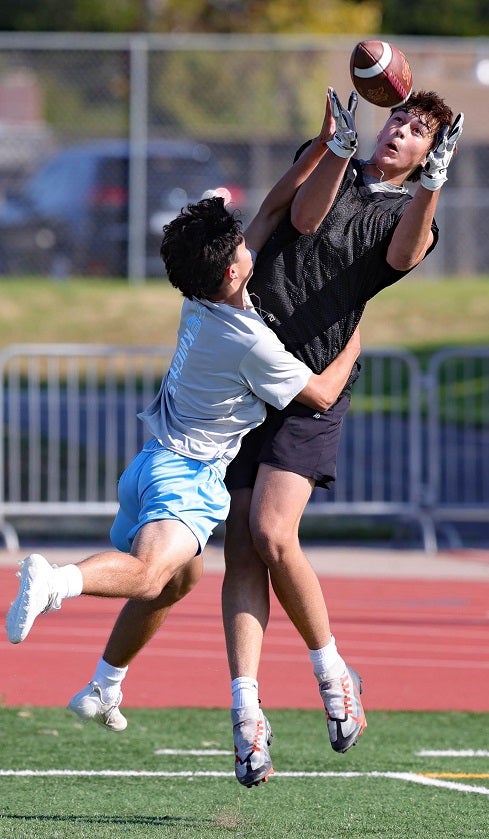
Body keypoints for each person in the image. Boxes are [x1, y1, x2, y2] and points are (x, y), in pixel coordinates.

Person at [58, 86, 464, 788]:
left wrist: (431, 184)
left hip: (310, 382)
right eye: (400, 116)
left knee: (276, 534)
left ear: (431, 152)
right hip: (249, 384)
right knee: (241, 545)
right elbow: (299, 216)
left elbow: (403, 253)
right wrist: (333, 146)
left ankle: (333, 671)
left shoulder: (411, 212)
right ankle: (246, 713)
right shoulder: (329, 163)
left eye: (420, 129)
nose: (401, 128)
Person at [3, 112, 362, 778]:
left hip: (150, 467)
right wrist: (351, 347)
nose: (250, 241)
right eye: (241, 246)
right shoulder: (247, 338)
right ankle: (54, 582)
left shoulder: (203, 296)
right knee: (146, 572)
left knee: (176, 581)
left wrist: (326, 146)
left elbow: (278, 202)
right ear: (231, 271)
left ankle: (106, 683)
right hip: (187, 477)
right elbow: (315, 395)